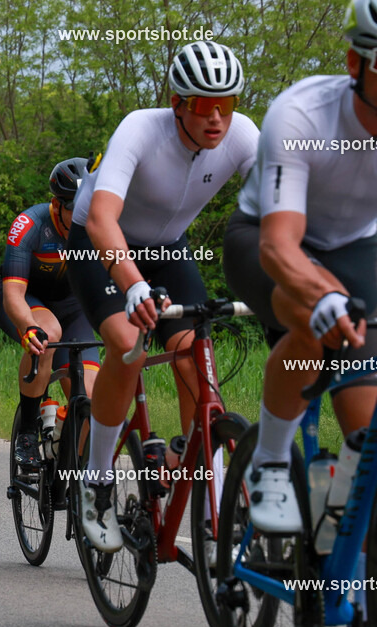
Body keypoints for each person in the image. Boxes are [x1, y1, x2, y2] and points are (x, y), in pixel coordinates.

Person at [65, 40, 259, 551]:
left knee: (196, 354)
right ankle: (97, 479)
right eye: (202, 105)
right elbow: (104, 218)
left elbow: (282, 209)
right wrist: (131, 284)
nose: (216, 118)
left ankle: (212, 478)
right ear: (177, 103)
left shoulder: (242, 136)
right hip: (99, 244)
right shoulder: (139, 128)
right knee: (129, 342)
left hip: (168, 247)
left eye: (227, 104)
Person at [224, 0, 377, 533]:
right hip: (265, 241)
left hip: (358, 248)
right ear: (356, 65)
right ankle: (269, 461)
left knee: (368, 433)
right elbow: (281, 246)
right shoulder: (302, 113)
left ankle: (337, 526)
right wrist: (325, 294)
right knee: (317, 323)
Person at [0, 158, 100, 467]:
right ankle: (27, 433)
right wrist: (28, 325)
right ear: (57, 204)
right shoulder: (30, 225)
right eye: (77, 210)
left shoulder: (100, 225)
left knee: (91, 400)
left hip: (72, 308)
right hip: (26, 300)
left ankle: (73, 472)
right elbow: (13, 294)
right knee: (47, 335)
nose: (84, 218)